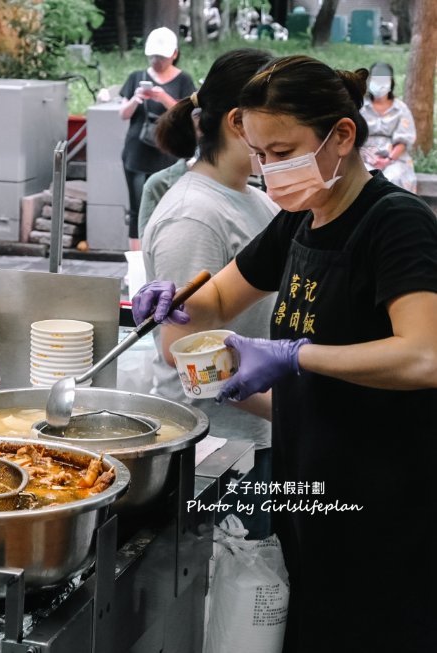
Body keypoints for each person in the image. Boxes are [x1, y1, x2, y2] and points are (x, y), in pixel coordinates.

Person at [132, 55, 437, 651]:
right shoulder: (302, 220)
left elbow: (425, 355)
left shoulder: (393, 223)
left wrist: (296, 356)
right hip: (315, 490)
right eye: (263, 155)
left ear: (341, 136)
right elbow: (219, 297)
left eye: (283, 150)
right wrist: (175, 301)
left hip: (385, 501)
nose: (270, 169)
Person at [142, 48, 277, 537]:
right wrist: (296, 411)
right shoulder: (195, 216)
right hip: (217, 450)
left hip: (257, 436)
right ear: (240, 121)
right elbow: (193, 362)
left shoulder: (258, 200)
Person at [119, 27, 196, 251]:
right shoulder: (136, 77)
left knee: (168, 206)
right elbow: (123, 114)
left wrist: (163, 97)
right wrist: (135, 99)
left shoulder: (184, 80)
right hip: (136, 152)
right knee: (136, 207)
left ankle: (162, 252)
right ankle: (136, 262)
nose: (156, 61)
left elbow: (187, 115)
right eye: (153, 56)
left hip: (168, 153)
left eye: (161, 57)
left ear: (174, 54)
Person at [360, 61, 417, 192]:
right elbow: (354, 137)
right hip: (364, 158)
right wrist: (369, 157)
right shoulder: (361, 108)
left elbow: (404, 139)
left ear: (390, 82)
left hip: (394, 159)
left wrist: (388, 160)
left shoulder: (400, 109)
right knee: (363, 181)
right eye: (375, 78)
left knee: (394, 179)